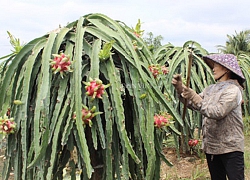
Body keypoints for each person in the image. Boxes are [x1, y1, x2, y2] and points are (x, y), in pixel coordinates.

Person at [172, 54, 245, 180]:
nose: (213, 69)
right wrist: (180, 89)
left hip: (230, 148)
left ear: (226, 69)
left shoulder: (233, 90)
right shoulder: (210, 89)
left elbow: (218, 112)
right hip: (212, 147)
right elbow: (193, 104)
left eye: (216, 66)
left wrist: (195, 97)